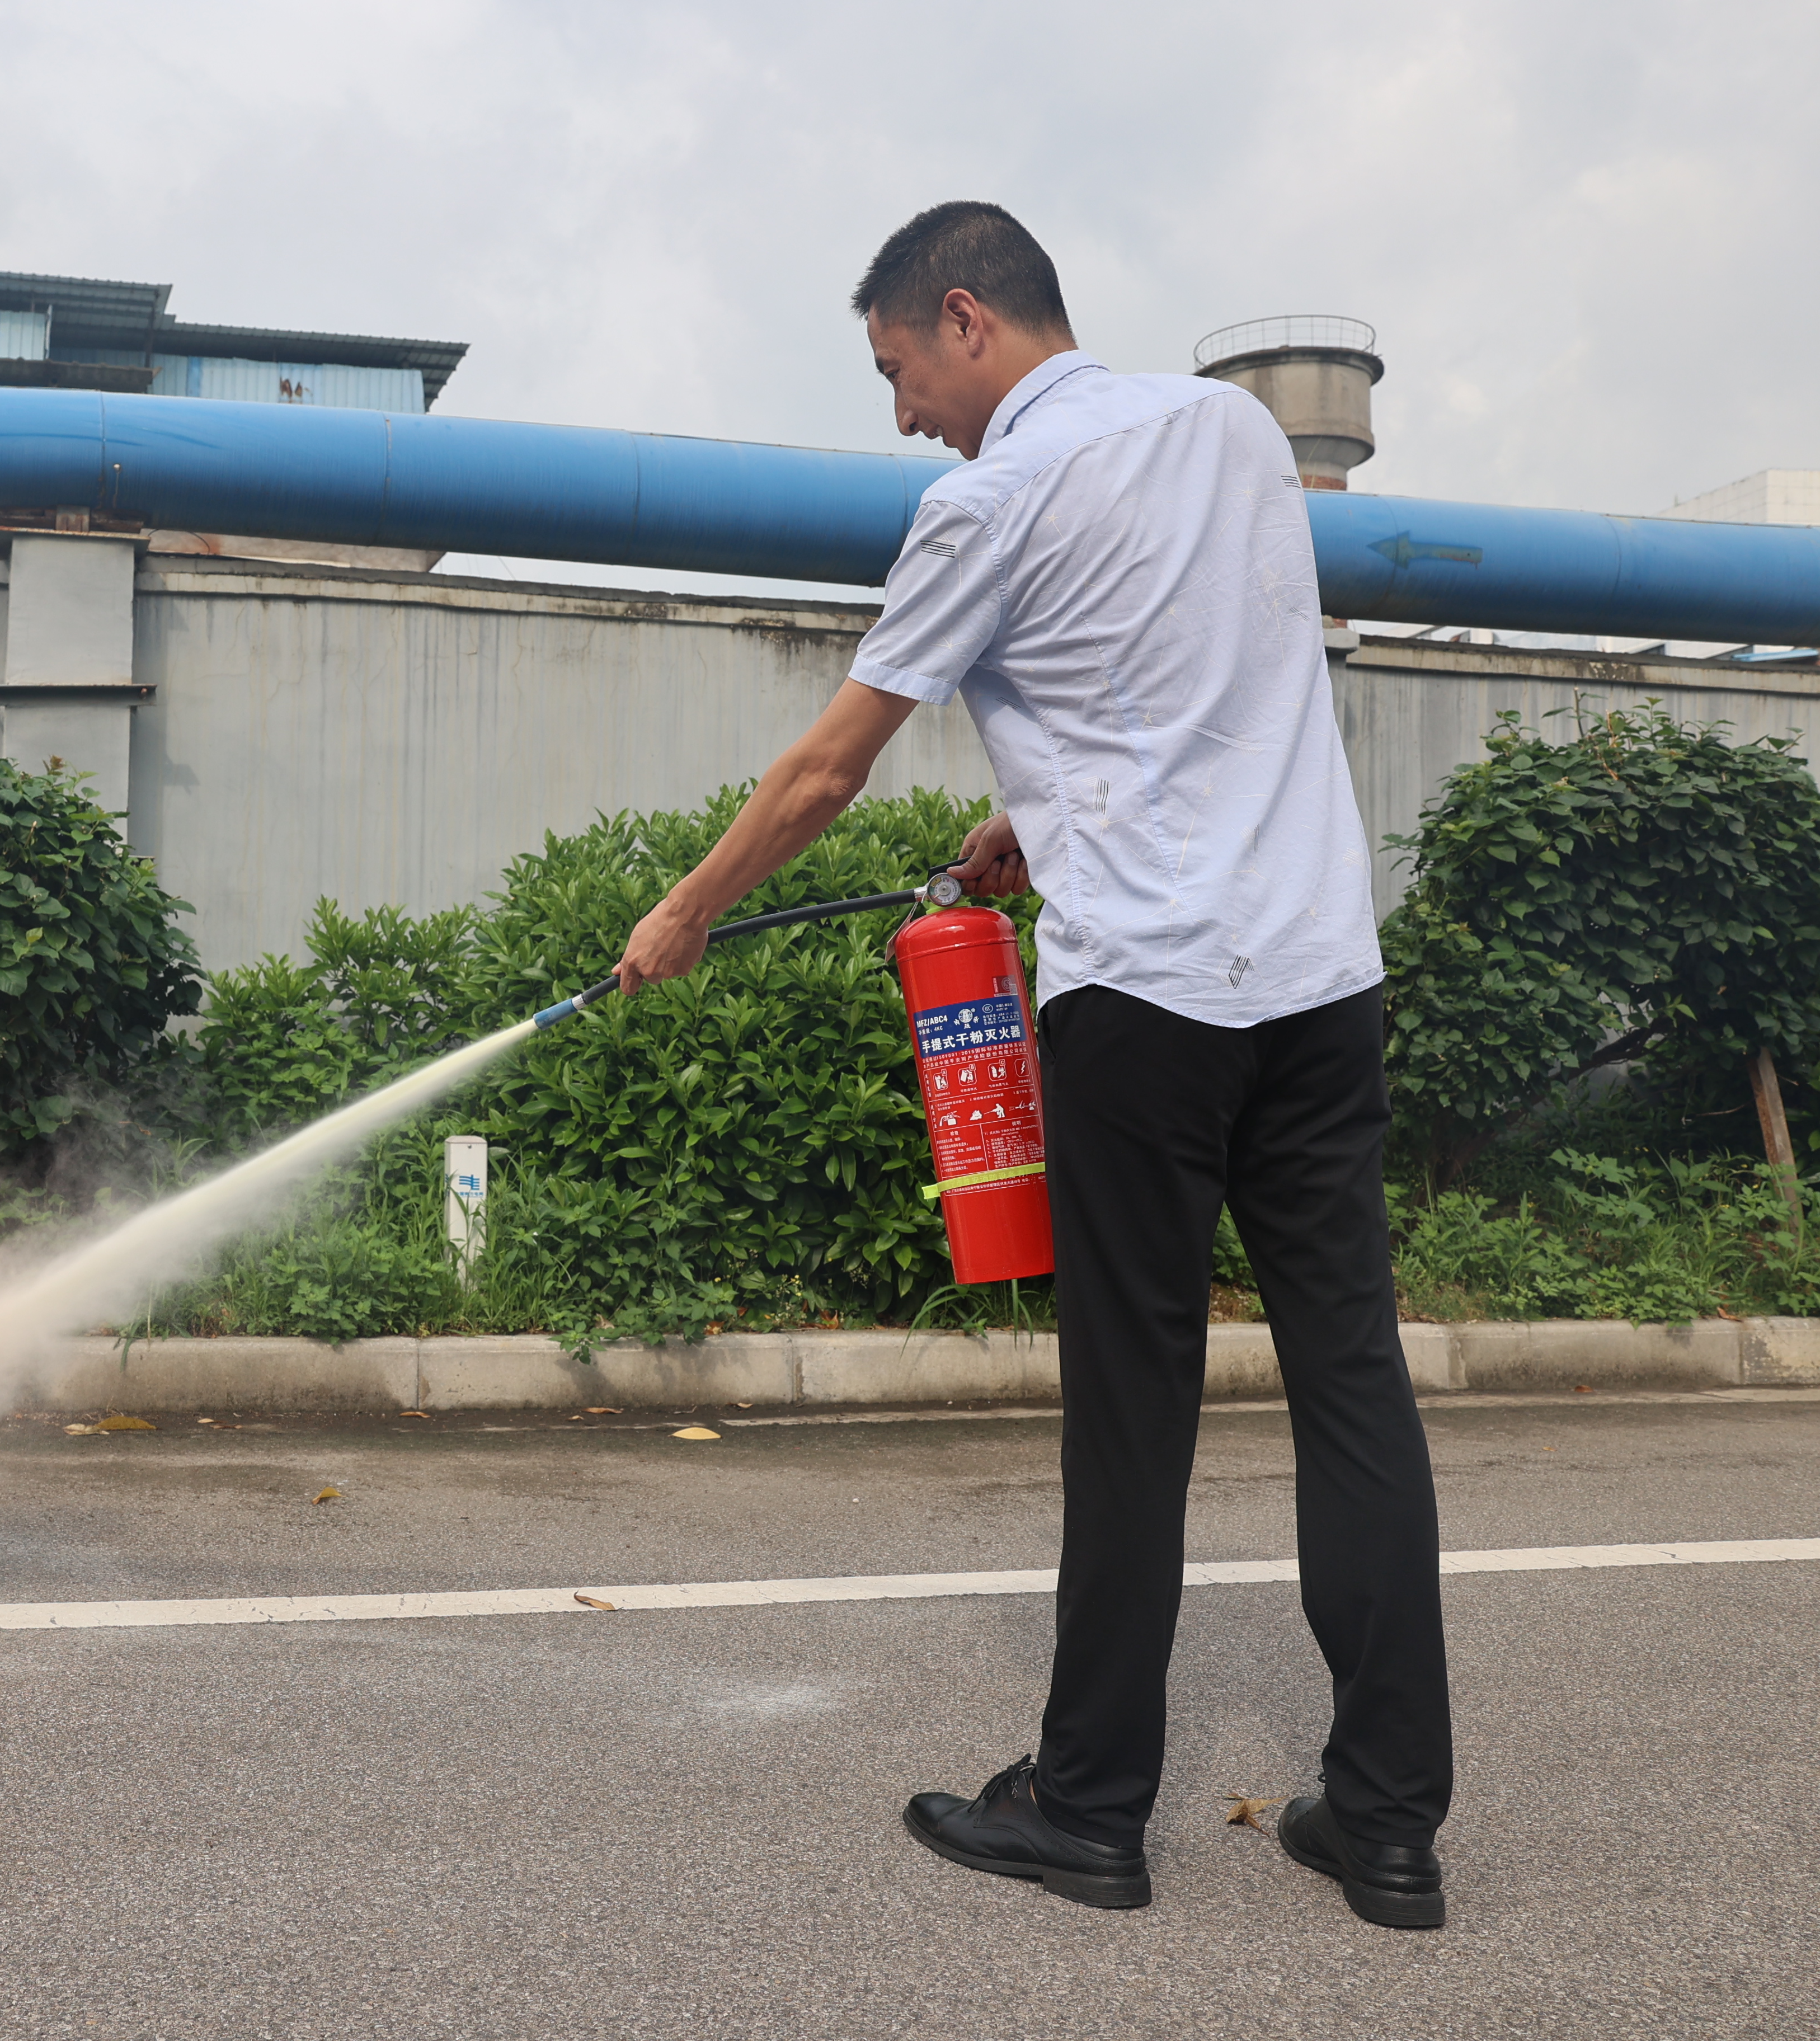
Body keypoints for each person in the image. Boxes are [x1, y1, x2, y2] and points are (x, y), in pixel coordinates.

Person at [608, 201, 1452, 1929]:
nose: (904, 410)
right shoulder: (1233, 433)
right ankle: (1386, 1828)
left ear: (968, 318)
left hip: (1144, 1004)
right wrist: (1033, 807)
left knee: (1131, 1416)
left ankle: (1090, 1812)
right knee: (1353, 1389)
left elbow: (827, 773)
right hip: (1316, 978)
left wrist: (685, 913)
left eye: (899, 367)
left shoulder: (983, 502)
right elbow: (1193, 680)